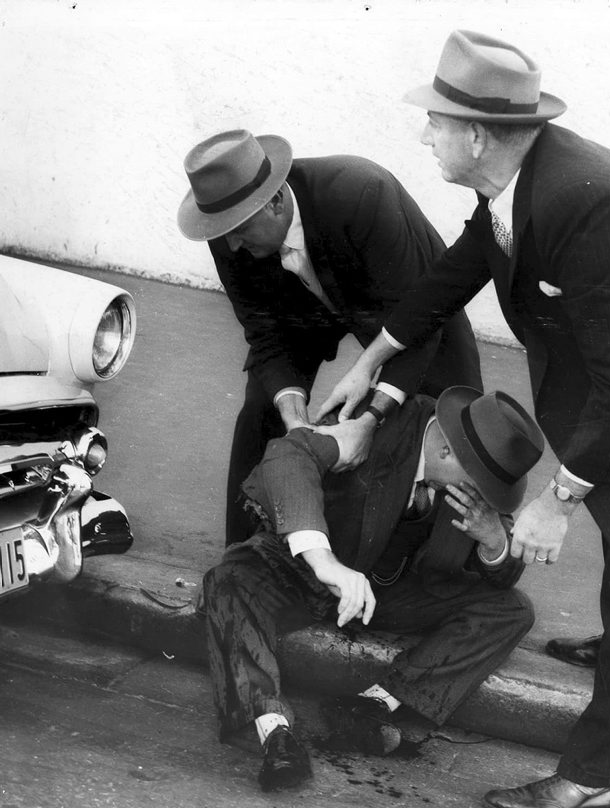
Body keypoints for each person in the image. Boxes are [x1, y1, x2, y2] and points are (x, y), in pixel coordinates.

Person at [316, 30, 610, 808]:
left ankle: (597, 776)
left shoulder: (582, 201)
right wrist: (372, 360)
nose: (424, 135)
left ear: (476, 136)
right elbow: (454, 273)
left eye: (434, 122)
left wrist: (555, 502)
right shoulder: (520, 184)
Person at [200, 387, 544, 792]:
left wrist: (493, 540)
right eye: (482, 484)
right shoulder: (372, 423)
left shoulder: (479, 468)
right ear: (448, 453)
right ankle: (273, 730)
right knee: (228, 580)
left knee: (511, 611)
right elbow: (289, 456)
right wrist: (325, 562)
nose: (487, 498)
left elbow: (502, 573)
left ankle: (371, 704)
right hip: (302, 573)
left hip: (390, 594)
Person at [177, 129, 483, 546]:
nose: (231, 243)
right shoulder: (229, 233)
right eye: (223, 230)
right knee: (261, 408)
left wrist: (371, 419)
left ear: (276, 202)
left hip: (405, 303)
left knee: (456, 419)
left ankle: (451, 551)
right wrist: (293, 419)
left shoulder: (362, 193)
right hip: (303, 310)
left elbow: (422, 319)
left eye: (239, 229)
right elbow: (264, 334)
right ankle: (244, 553)